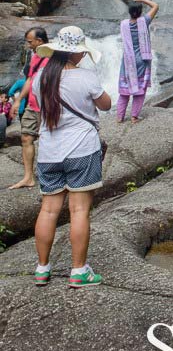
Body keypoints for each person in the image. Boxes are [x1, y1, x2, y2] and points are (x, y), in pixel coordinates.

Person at [31, 25, 111, 288]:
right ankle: (79, 272)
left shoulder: (40, 77)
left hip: (49, 152)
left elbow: (40, 108)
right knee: (79, 210)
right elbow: (106, 104)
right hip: (82, 151)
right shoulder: (85, 77)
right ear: (76, 52)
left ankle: (42, 269)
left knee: (48, 209)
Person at [8, 27, 49, 189]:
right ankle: (28, 177)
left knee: (48, 140)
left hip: (46, 106)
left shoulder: (53, 56)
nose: (28, 45)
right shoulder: (35, 57)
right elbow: (30, 80)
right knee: (26, 137)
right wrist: (18, 100)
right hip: (32, 104)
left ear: (40, 41)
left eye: (30, 42)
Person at [117, 0, 159, 123]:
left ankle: (120, 117)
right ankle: (134, 116)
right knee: (140, 90)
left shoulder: (124, 24)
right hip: (142, 60)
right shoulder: (144, 21)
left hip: (128, 61)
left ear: (129, 12)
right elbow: (156, 6)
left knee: (125, 90)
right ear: (140, 12)